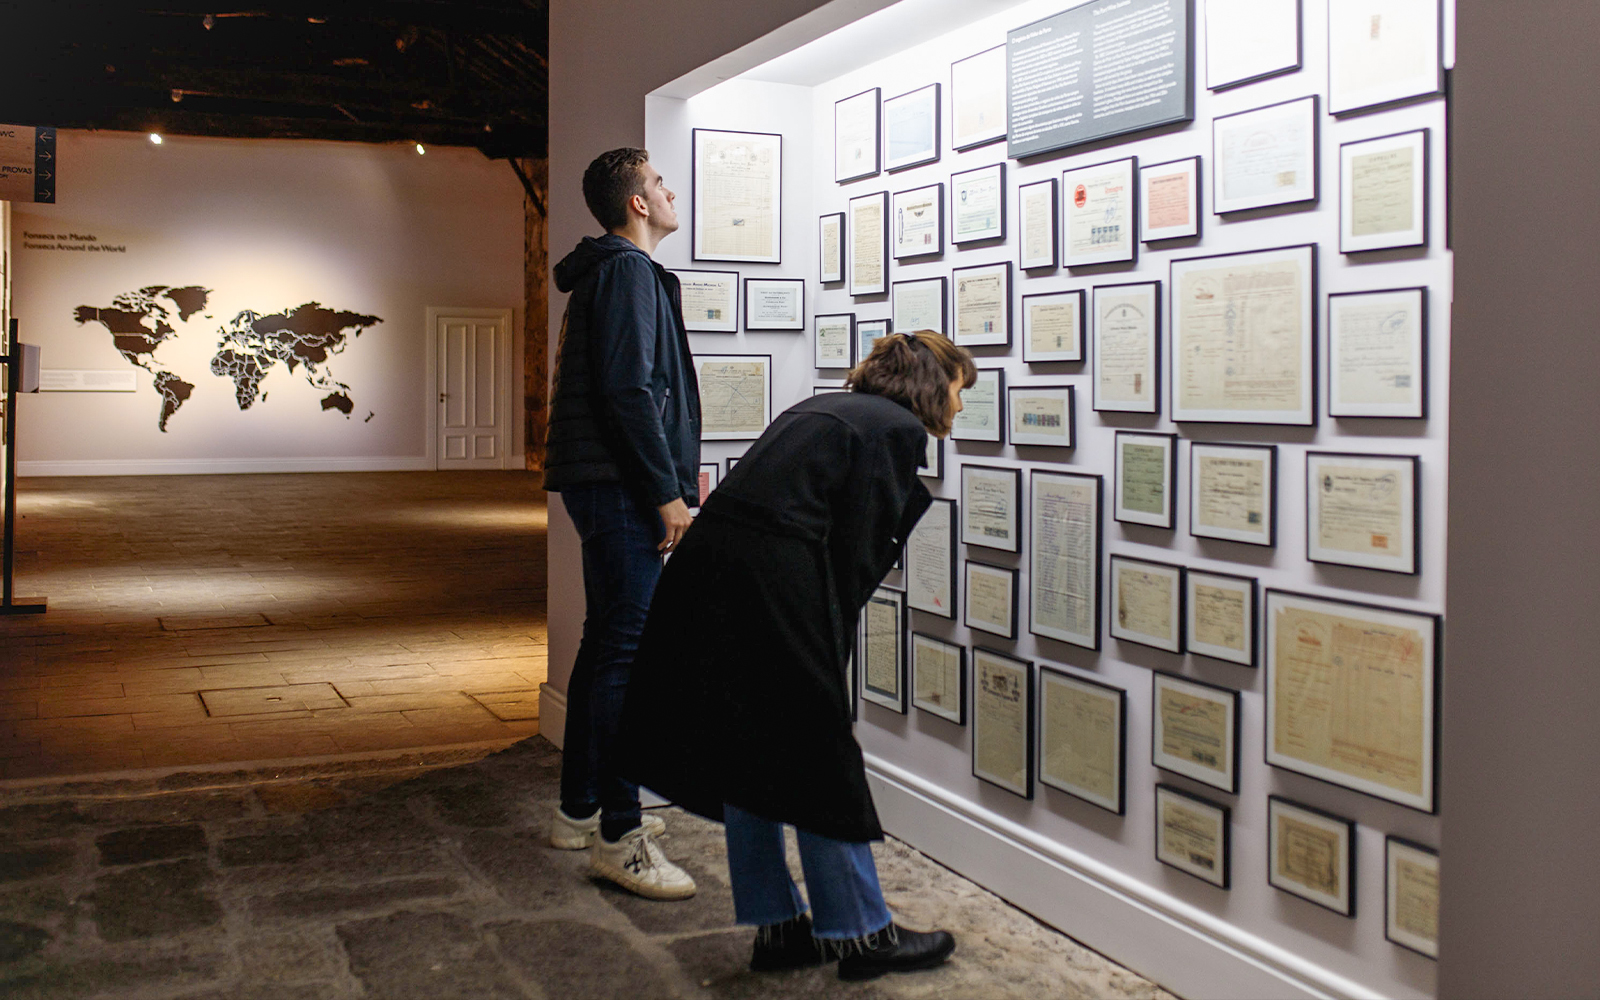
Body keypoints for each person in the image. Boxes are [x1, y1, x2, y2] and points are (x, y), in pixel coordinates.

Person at [619, 332, 976, 981]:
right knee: (818, 753)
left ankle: (780, 928)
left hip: (713, 578)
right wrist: (825, 650)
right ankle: (861, 933)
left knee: (752, 751)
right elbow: (856, 550)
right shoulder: (895, 429)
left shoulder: (825, 410)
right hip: (771, 587)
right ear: (934, 381)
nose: (960, 402)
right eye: (959, 387)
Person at [542, 147, 700, 900]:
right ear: (637, 203)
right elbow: (630, 391)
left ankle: (581, 810)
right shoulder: (629, 271)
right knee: (625, 656)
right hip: (618, 485)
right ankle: (619, 836)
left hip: (599, 481)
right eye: (661, 184)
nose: (671, 193)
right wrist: (666, 492)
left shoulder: (609, 271)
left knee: (606, 642)